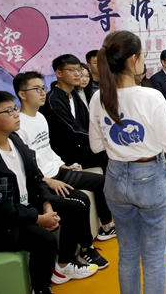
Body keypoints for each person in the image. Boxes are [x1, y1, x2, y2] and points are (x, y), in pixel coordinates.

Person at [0, 91, 100, 294]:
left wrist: (46, 205)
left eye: (14, 109)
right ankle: (40, 288)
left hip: (23, 206)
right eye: (9, 111)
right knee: (45, 240)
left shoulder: (14, 139)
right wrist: (38, 218)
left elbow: (36, 176)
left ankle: (63, 266)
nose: (16, 114)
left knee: (75, 206)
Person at [88, 30, 166, 294]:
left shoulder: (97, 97)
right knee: (153, 256)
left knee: (128, 252)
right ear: (133, 60)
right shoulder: (150, 96)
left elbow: (96, 145)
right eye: (142, 55)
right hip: (150, 178)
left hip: (115, 179)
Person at [14, 71, 117, 243]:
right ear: (22, 94)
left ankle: (106, 226)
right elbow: (24, 166)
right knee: (80, 200)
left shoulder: (40, 117)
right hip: (45, 179)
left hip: (57, 170)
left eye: (43, 88)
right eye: (37, 89)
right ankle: (85, 248)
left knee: (101, 181)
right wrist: (47, 180)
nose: (42, 93)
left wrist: (62, 165)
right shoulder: (19, 125)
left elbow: (47, 149)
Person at [40, 54, 107, 171]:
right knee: (110, 154)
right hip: (65, 155)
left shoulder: (73, 93)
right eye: (72, 70)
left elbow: (87, 120)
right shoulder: (53, 101)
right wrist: (103, 139)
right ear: (59, 73)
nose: (77, 74)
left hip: (81, 148)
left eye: (79, 70)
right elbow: (72, 131)